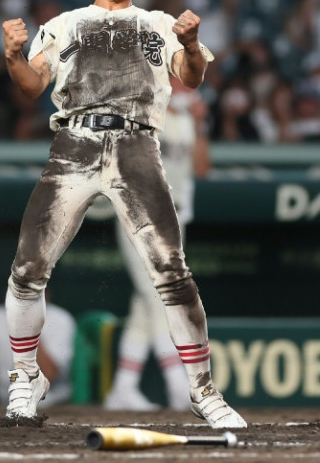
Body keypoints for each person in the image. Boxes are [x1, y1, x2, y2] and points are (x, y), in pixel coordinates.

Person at [0, 0, 246, 429]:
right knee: (28, 268)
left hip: (137, 144)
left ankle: (202, 391)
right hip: (74, 141)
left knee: (172, 274)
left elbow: (193, 79)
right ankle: (26, 376)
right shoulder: (64, 23)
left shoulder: (160, 22)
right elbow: (31, 85)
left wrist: (194, 43)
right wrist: (12, 56)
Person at [104, 79, 210, 412]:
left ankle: (122, 388)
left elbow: (202, 169)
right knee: (163, 297)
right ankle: (179, 386)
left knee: (145, 305)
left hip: (177, 217)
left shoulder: (188, 112)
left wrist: (198, 121)